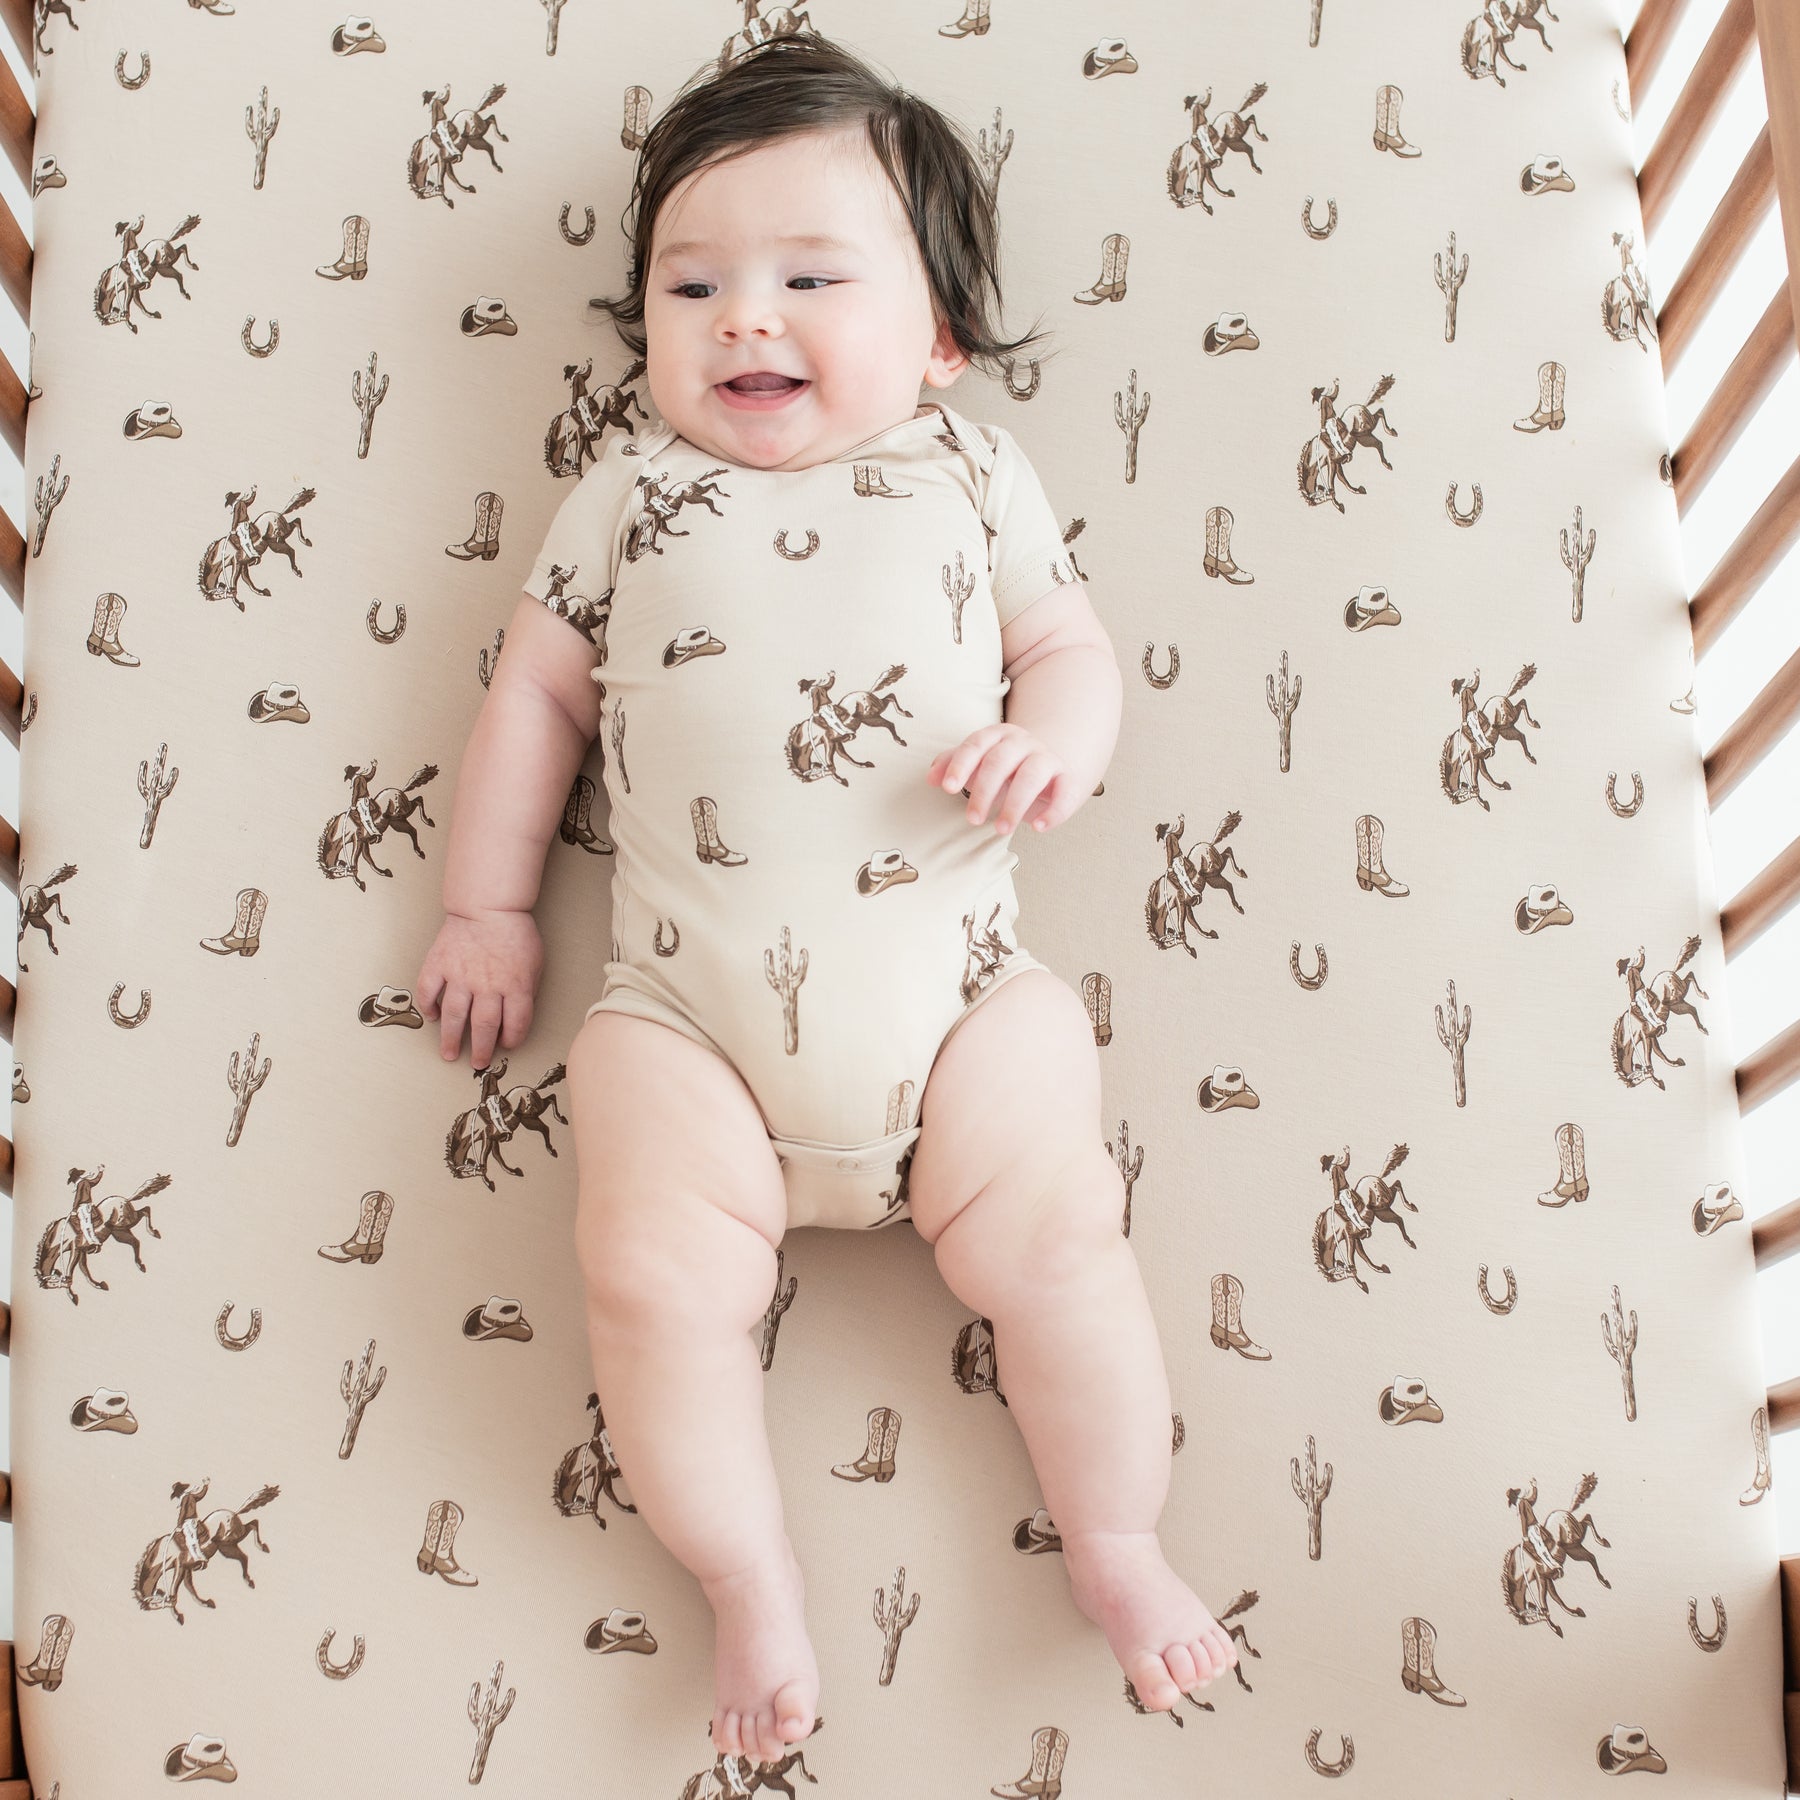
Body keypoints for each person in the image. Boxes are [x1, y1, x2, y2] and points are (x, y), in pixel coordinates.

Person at [412, 30, 1238, 1768]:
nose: (743, 321)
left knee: (1063, 1236)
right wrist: (489, 908)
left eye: (808, 279)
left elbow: (1070, 648)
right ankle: (750, 1578)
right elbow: (534, 698)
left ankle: (1116, 1539)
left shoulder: (971, 473)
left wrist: (1055, 742)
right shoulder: (626, 494)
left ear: (939, 337)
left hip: (959, 1003)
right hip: (687, 1024)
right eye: (691, 285)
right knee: (649, 1279)